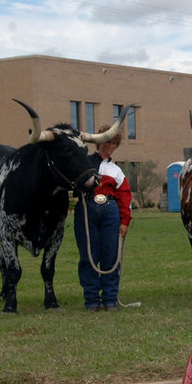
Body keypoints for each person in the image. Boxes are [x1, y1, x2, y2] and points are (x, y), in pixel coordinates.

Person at [74, 125, 132, 311]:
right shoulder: (84, 162)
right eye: (108, 141)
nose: (111, 146)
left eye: (115, 143)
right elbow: (77, 184)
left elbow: (125, 197)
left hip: (110, 209)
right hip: (87, 207)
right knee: (88, 255)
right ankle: (91, 300)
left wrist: (124, 222)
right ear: (99, 142)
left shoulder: (117, 171)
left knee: (111, 255)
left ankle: (110, 299)